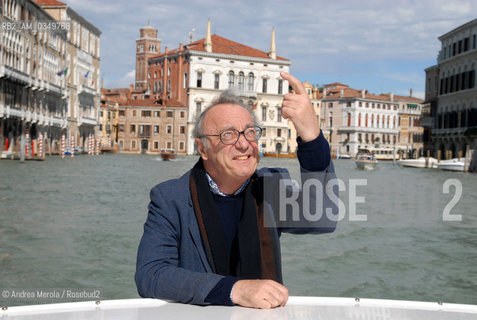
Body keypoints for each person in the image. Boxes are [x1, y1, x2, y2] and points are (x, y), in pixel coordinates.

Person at [135, 72, 338, 309]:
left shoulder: (270, 187)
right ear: (203, 148)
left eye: (250, 132)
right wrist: (234, 289)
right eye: (228, 134)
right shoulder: (170, 198)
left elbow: (324, 218)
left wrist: (312, 136)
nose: (243, 144)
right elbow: (151, 275)